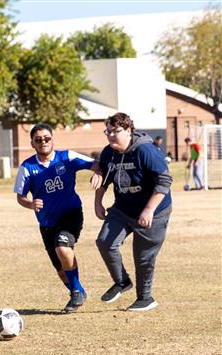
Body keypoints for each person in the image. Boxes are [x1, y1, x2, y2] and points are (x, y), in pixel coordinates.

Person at [14, 123, 99, 312]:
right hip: (46, 222)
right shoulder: (27, 167)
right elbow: (20, 197)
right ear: (33, 144)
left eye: (46, 138)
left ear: (53, 139)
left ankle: (76, 292)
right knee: (61, 271)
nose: (43, 142)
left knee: (63, 246)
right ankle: (77, 291)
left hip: (71, 213)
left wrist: (98, 174)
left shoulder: (67, 157)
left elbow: (96, 164)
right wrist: (30, 204)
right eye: (38, 140)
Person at [93, 112, 172, 312]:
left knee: (143, 257)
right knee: (105, 242)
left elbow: (165, 181)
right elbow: (104, 177)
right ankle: (121, 282)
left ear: (129, 131)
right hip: (123, 208)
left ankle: (145, 298)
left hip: (154, 211)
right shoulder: (108, 152)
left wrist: (148, 210)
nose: (111, 135)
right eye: (108, 131)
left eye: (116, 131)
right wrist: (98, 202)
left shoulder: (145, 150)